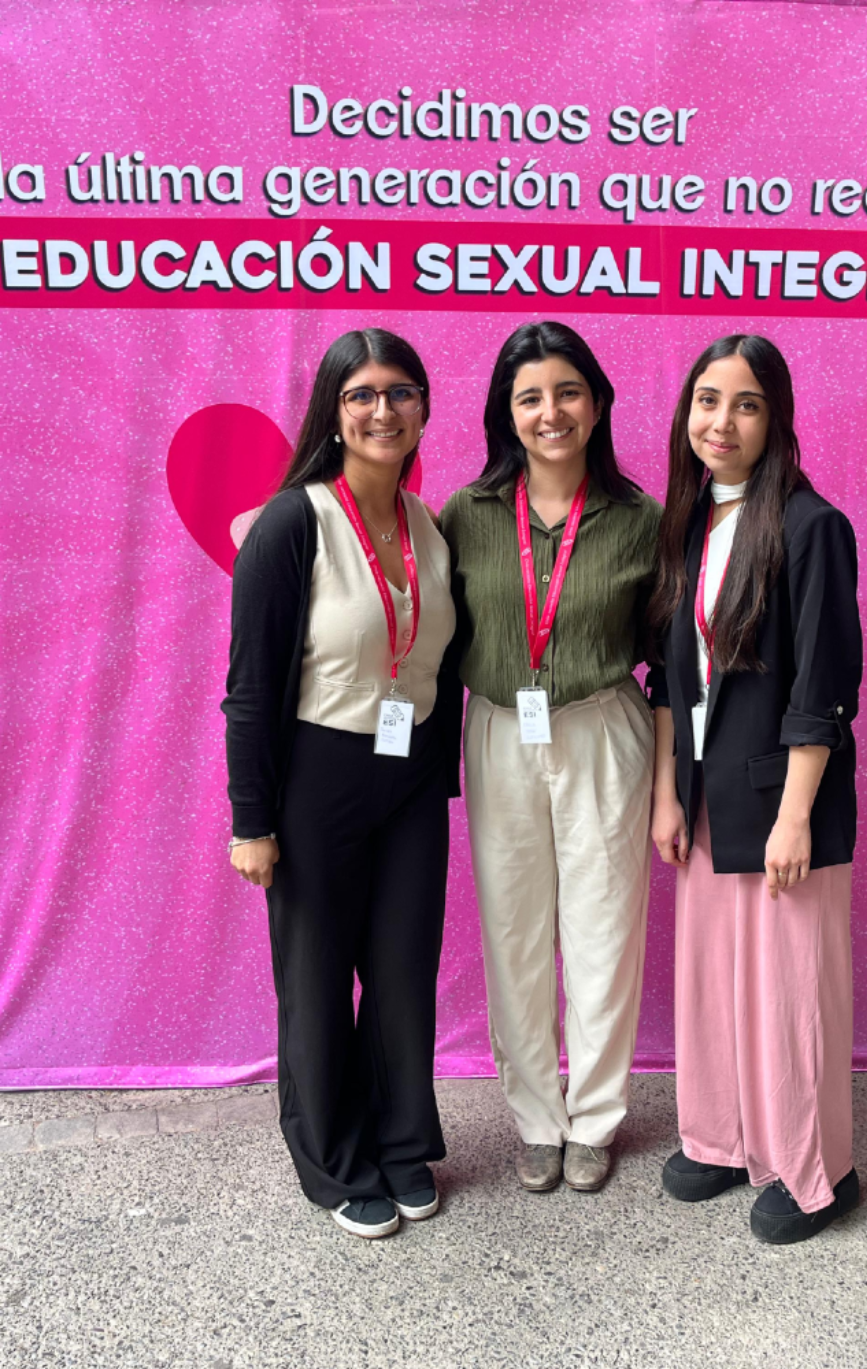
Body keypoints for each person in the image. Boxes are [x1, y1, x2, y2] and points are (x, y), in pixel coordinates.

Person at [222, 328, 460, 1240]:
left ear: (423, 408)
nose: (382, 409)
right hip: (316, 779)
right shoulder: (293, 521)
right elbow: (250, 687)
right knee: (318, 978)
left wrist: (437, 780)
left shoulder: (429, 526)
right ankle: (331, 1157)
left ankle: (401, 1139)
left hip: (409, 785)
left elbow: (437, 665)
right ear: (332, 409)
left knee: (402, 972)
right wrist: (253, 821)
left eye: (401, 392)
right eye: (360, 393)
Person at [647, 333, 863, 1244]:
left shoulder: (813, 526)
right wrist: (666, 792)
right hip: (703, 792)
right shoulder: (689, 522)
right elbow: (668, 674)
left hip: (784, 804)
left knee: (791, 992)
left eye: (744, 403)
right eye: (706, 400)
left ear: (775, 418)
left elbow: (823, 688)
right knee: (711, 982)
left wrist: (794, 817)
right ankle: (723, 1137)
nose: (721, 421)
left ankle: (819, 1173)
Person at [440, 321, 662, 1195]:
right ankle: (537, 1117)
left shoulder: (643, 519)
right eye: (529, 396)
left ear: (598, 402)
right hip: (498, 728)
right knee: (514, 932)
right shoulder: (466, 512)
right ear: (506, 410)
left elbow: (670, 650)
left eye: (568, 391)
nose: (550, 411)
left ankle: (597, 1115)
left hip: (605, 727)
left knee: (604, 930)